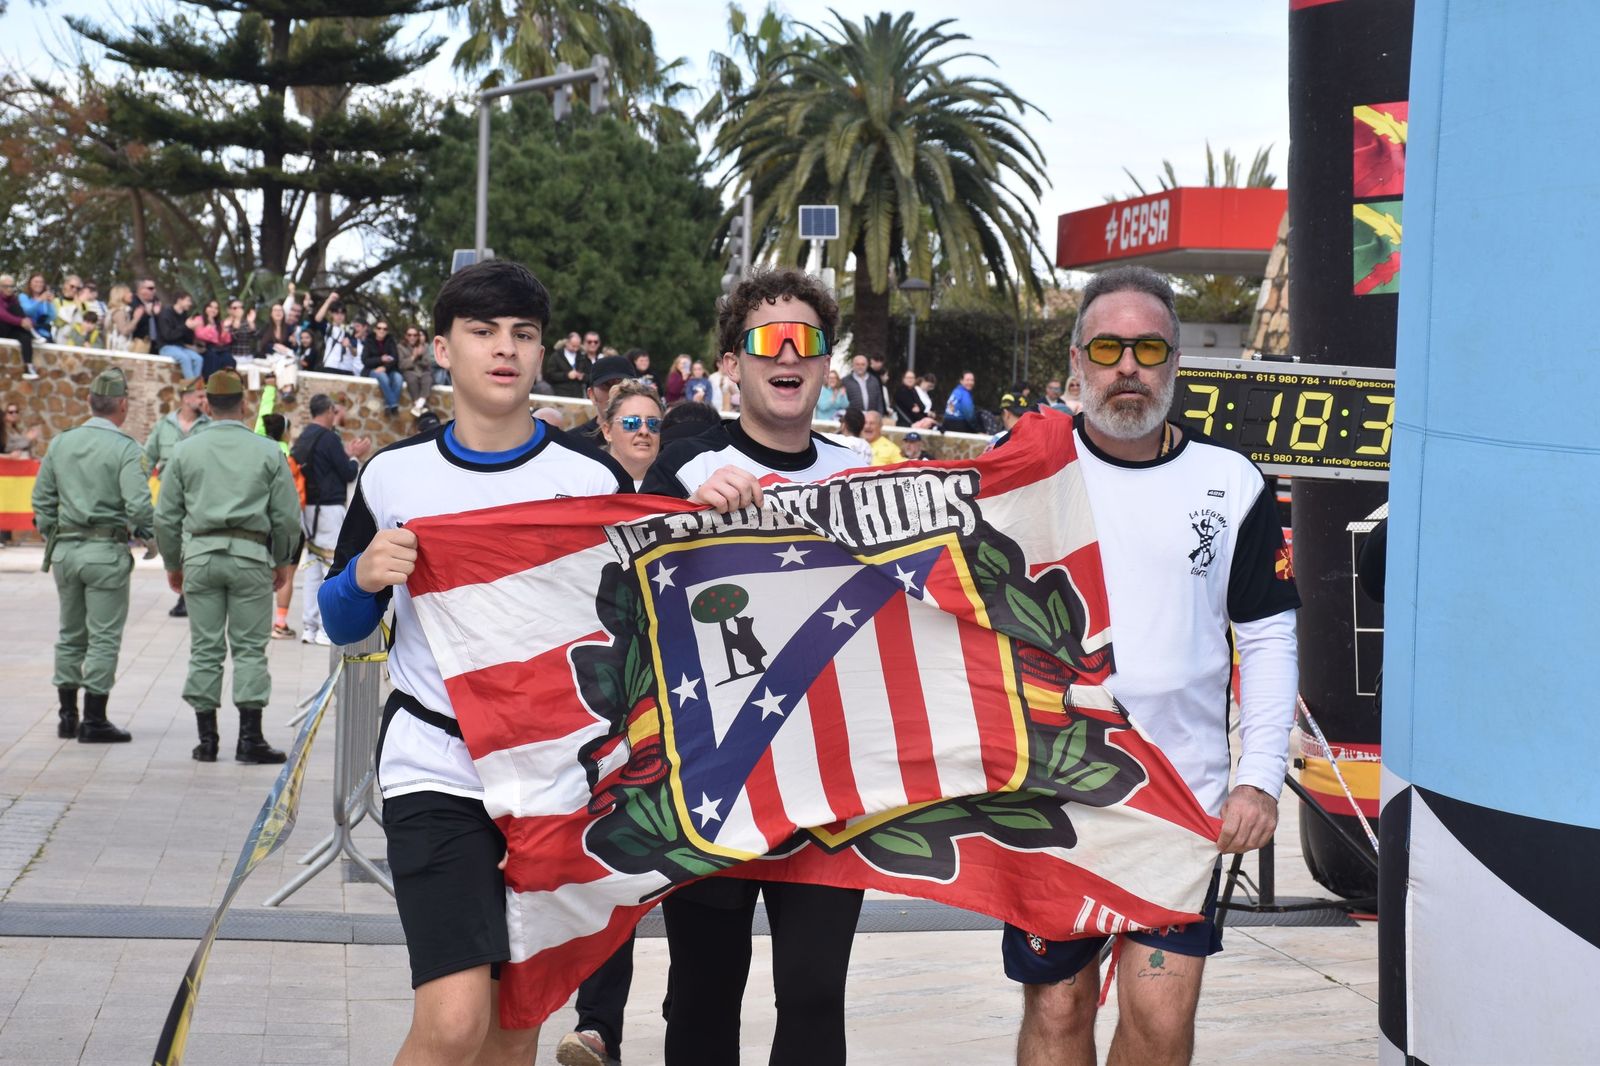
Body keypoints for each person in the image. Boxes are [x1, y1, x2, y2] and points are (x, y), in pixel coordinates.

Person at [314, 260, 630, 1065]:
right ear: (442, 349)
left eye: (522, 334)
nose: (504, 350)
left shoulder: (587, 481)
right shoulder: (392, 475)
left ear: (542, 352)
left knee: (514, 1024)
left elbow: (628, 628)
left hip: (553, 775)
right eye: (483, 332)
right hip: (436, 763)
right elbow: (343, 623)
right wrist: (361, 575)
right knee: (455, 1022)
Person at [1007, 265, 1300, 1066]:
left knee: (1161, 1019)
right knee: (1059, 1007)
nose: (1126, 366)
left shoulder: (1231, 481)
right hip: (1054, 794)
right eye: (1107, 347)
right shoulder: (1026, 473)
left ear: (1176, 364)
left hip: (1182, 795)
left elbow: (1269, 637)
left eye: (1148, 348)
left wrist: (1260, 777)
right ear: (1076, 362)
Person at [641, 267, 864, 1066]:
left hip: (829, 783)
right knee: (703, 990)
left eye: (807, 341)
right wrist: (684, 517)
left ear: (826, 364)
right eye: (769, 340)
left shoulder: (865, 471)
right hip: (713, 774)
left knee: (813, 995)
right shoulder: (686, 470)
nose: (789, 355)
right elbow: (626, 597)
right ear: (732, 363)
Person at [154, 369, 300, 764]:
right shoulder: (268, 451)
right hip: (251, 557)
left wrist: (173, 563)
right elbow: (287, 517)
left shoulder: (185, 450)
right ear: (244, 403)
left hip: (200, 556)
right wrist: (283, 560)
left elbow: (166, 517)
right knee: (250, 649)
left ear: (207, 403)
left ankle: (207, 741)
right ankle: (250, 739)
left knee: (205, 648)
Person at [31, 368, 153, 742]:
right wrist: (150, 539)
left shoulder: (61, 442)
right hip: (105, 550)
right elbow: (139, 507)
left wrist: (55, 533)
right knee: (102, 637)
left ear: (89, 402)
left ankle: (66, 716)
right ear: (123, 404)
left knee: (70, 633)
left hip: (66, 551)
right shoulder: (126, 449)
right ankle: (94, 719)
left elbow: (42, 501)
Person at [291, 394, 371, 646]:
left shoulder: (303, 437)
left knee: (313, 567)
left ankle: (309, 627)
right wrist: (355, 456)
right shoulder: (328, 437)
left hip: (309, 509)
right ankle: (327, 631)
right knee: (330, 567)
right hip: (328, 510)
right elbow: (347, 472)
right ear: (328, 411)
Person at [145, 377, 212, 617]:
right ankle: (184, 590)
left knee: (190, 543)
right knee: (172, 541)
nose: (204, 400)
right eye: (199, 396)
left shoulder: (209, 426)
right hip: (170, 497)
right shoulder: (164, 426)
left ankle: (187, 596)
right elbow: (147, 459)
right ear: (185, 397)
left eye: (205, 396)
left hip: (198, 496)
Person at [598, 379, 664, 488]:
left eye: (653, 423)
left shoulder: (676, 488)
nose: (644, 431)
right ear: (607, 431)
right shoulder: (586, 485)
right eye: (631, 422)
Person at [157, 291, 203, 378]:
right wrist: (185, 326)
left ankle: (194, 386)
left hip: (181, 347)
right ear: (179, 300)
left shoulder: (184, 316)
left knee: (198, 359)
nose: (190, 304)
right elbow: (168, 336)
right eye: (188, 300)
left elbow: (188, 341)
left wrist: (191, 329)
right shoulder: (166, 313)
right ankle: (192, 388)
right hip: (166, 347)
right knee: (185, 358)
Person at [362, 319, 405, 414]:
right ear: (375, 330)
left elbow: (395, 359)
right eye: (379, 328)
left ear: (387, 331)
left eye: (385, 329)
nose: (382, 330)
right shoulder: (368, 341)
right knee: (383, 377)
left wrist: (385, 367)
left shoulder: (390, 341)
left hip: (388, 369)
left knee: (398, 378)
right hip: (372, 370)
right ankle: (393, 404)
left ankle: (388, 405)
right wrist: (380, 359)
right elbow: (365, 360)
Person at [397, 325, 435, 416]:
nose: (412, 337)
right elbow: (401, 365)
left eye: (414, 335)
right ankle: (421, 406)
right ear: (406, 336)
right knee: (412, 378)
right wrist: (413, 357)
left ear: (418, 336)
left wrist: (420, 356)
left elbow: (427, 363)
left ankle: (418, 406)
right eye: (409, 335)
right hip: (409, 372)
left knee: (428, 379)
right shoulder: (400, 347)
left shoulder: (424, 346)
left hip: (423, 372)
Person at [544, 327, 592, 397]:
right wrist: (567, 375)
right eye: (573, 346)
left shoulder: (583, 356)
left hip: (578, 395)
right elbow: (549, 376)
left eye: (578, 346)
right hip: (560, 394)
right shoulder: (556, 356)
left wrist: (583, 377)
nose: (576, 349)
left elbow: (591, 377)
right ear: (567, 343)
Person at [19, 274, 55, 342]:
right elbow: (27, 312)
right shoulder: (23, 296)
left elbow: (51, 317)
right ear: (30, 284)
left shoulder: (45, 299)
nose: (39, 284)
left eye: (41, 282)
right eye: (36, 282)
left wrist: (50, 303)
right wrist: (39, 300)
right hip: (28, 332)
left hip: (43, 333)